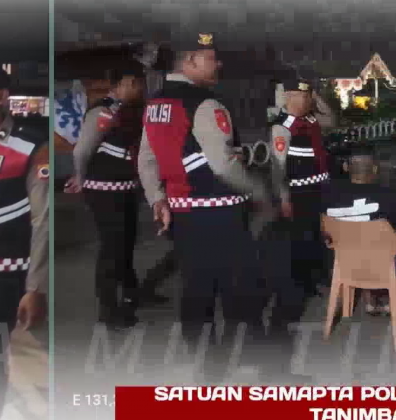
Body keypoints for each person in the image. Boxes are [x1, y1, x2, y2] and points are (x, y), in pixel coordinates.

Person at [137, 32, 271, 348]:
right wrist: (259, 192)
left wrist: (157, 199)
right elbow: (222, 165)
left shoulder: (156, 103)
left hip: (184, 214)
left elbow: (146, 158)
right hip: (220, 213)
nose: (218, 63)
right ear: (190, 60)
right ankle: (253, 360)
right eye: (211, 58)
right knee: (240, 290)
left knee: (197, 289)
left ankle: (205, 364)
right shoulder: (205, 103)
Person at [65, 63, 146, 330]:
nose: (140, 89)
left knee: (126, 243)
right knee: (112, 248)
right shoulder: (104, 111)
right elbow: (81, 151)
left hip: (125, 188)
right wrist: (80, 177)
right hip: (104, 190)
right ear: (124, 84)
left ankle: (132, 293)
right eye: (136, 84)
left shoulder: (128, 110)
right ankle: (108, 310)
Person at [0, 68, 48, 416]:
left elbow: (42, 218)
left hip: (8, 274)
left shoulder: (31, 145)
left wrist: (35, 286)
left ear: (3, 96)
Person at [321, 146, 396, 314]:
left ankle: (370, 299)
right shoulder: (394, 197)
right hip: (383, 267)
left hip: (344, 264)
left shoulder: (327, 197)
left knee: (360, 245)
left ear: (346, 167)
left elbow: (325, 232)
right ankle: (390, 300)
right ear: (375, 168)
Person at [269, 79, 331, 302]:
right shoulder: (281, 126)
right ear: (288, 97)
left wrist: (316, 97)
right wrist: (284, 198)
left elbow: (331, 120)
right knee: (301, 239)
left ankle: (319, 277)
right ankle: (302, 285)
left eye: (307, 96)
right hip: (299, 193)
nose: (306, 101)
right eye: (301, 96)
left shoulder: (311, 120)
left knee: (319, 236)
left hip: (320, 189)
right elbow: (278, 168)